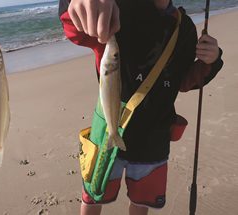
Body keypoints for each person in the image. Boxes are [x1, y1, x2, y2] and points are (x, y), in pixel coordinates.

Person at [58, 0, 224, 214]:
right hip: (109, 133)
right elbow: (77, 29)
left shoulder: (185, 28)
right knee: (93, 195)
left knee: (141, 202)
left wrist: (210, 61)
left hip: (154, 139)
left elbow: (183, 80)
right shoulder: (117, 11)